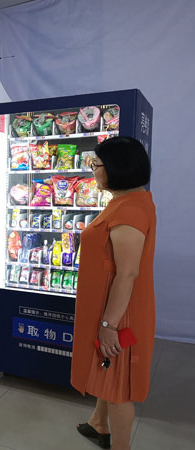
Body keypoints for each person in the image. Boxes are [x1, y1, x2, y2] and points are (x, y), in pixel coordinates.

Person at [71, 137, 156, 450]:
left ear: (116, 168)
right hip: (113, 307)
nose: (93, 170)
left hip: (121, 315)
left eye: (96, 165)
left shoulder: (129, 211)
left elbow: (127, 273)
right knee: (107, 368)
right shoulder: (127, 201)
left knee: (120, 387)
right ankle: (99, 422)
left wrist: (109, 325)